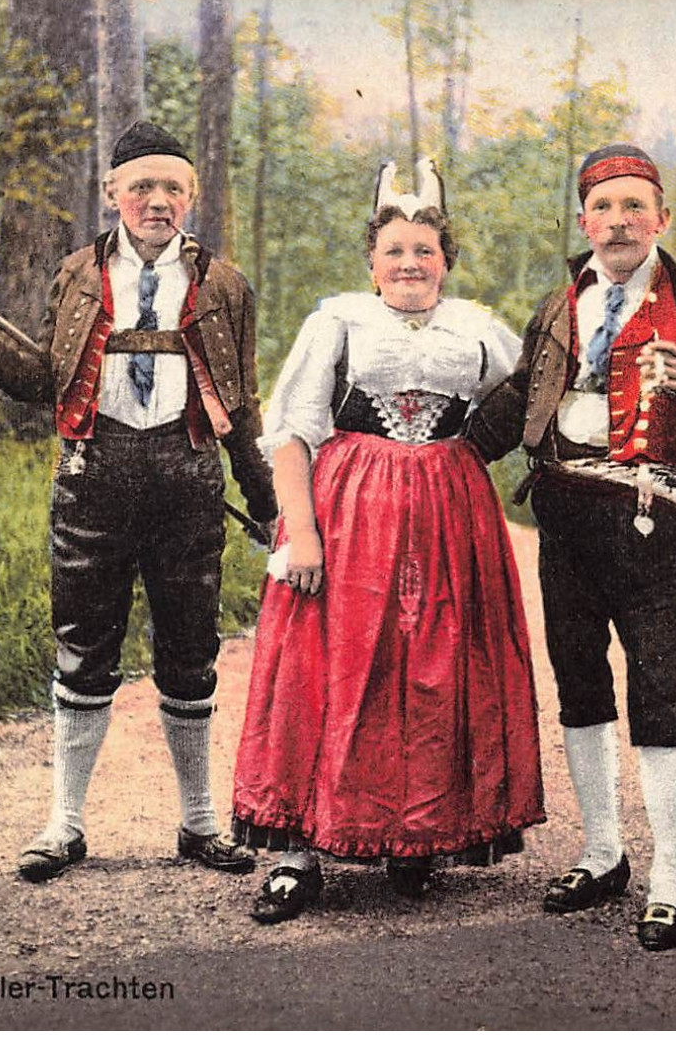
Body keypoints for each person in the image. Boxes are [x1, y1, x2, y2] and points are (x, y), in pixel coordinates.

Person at [468, 144, 676, 951]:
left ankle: (669, 880)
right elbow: (514, 402)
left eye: (633, 207)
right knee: (578, 688)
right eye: (603, 209)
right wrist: (437, 459)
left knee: (657, 697)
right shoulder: (557, 306)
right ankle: (602, 853)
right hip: (563, 510)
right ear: (584, 222)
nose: (617, 221)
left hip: (652, 513)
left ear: (660, 219)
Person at [230, 158, 545, 923]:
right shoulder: (336, 320)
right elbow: (293, 433)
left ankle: (414, 838)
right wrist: (299, 534)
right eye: (394, 251)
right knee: (329, 665)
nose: (409, 263)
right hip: (349, 509)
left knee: (434, 666)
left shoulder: (476, 329)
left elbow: (536, 388)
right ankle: (295, 851)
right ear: (370, 262)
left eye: (424, 252)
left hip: (449, 512)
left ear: (446, 262)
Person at [0, 121, 276, 882]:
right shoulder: (73, 274)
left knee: (190, 652)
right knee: (83, 649)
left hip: (189, 476)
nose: (157, 201)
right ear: (112, 195)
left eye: (172, 188)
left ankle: (200, 824)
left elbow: (240, 399)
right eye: (141, 187)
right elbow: (46, 379)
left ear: (191, 196)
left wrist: (265, 503)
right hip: (92, 474)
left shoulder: (224, 286)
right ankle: (63, 825)